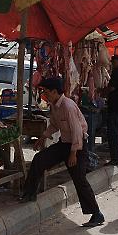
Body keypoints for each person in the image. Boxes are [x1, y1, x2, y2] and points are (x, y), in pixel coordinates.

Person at [21, 77, 105, 227]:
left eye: (46, 92)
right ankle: (29, 193)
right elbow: (54, 125)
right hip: (64, 143)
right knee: (40, 159)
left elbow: (77, 132)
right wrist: (43, 137)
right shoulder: (55, 105)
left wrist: (73, 153)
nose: (45, 95)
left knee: (79, 180)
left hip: (77, 146)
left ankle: (96, 214)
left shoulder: (68, 106)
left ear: (54, 92)